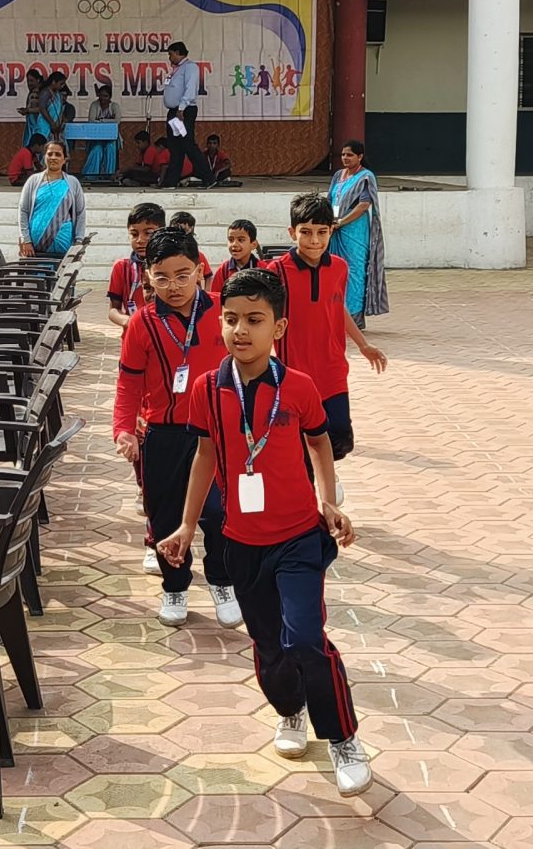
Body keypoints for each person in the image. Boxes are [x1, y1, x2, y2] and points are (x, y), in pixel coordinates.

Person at [157, 265, 372, 797]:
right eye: (231, 318)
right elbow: (205, 455)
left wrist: (327, 499)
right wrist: (187, 524)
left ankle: (343, 737)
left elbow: (319, 442)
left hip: (298, 537)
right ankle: (290, 710)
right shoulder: (208, 390)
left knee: (306, 638)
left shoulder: (298, 387)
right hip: (241, 542)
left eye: (254, 319)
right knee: (270, 644)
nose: (240, 330)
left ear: (278, 327)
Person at [116, 228, 233, 628]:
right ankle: (175, 586)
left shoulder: (223, 312)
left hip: (215, 433)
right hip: (162, 435)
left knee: (219, 513)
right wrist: (124, 429)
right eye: (162, 277)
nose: (174, 286)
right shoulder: (142, 323)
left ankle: (222, 581)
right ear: (148, 276)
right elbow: (128, 382)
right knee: (164, 516)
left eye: (183, 275)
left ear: (200, 270)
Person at [271, 194, 388, 468]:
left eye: (322, 232)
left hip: (333, 370)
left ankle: (321, 475)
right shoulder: (277, 271)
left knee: (340, 438)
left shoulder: (339, 268)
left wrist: (363, 344)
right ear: (292, 232)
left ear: (331, 231)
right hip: (295, 373)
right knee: (298, 443)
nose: (314, 240)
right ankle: (311, 485)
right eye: (306, 232)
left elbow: (336, 307)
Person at [327, 141, 389, 324]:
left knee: (354, 271)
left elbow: (363, 205)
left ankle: (354, 318)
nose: (345, 158)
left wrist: (342, 222)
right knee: (335, 270)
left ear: (360, 156)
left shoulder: (366, 177)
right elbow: (330, 199)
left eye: (350, 155)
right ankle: (336, 314)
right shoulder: (338, 175)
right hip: (335, 229)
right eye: (343, 155)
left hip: (354, 231)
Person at [17, 140, 86, 260]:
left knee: (59, 272)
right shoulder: (33, 181)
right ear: (44, 157)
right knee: (36, 272)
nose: (53, 157)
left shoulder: (73, 182)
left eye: (58, 154)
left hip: (63, 245)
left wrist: (79, 240)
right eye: (50, 154)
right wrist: (26, 239)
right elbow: (23, 210)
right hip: (34, 248)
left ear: (64, 159)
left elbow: (80, 212)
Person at [160, 42, 216, 186]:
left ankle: (208, 177)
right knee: (175, 146)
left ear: (178, 52)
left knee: (187, 145)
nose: (169, 57)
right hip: (174, 112)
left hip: (183, 111)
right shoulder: (176, 69)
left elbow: (190, 89)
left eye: (171, 54)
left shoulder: (190, 67)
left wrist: (181, 108)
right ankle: (171, 181)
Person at [108, 202, 165, 327]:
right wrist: (131, 322)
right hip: (134, 333)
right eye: (134, 234)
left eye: (148, 233)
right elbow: (113, 310)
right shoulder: (122, 267)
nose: (140, 240)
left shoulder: (170, 264)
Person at [210, 218, 262, 301]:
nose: (234, 244)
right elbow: (215, 299)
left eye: (241, 240)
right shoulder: (224, 270)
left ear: (253, 244)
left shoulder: (262, 269)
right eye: (231, 240)